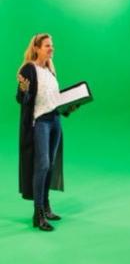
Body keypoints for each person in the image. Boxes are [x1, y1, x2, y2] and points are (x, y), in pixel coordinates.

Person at [16, 33, 74, 232]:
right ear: (37, 48)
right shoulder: (29, 69)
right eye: (48, 45)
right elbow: (20, 96)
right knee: (42, 165)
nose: (52, 48)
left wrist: (69, 106)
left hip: (55, 120)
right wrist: (23, 90)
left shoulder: (50, 69)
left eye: (52, 45)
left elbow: (54, 99)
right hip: (40, 122)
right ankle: (37, 213)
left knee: (50, 165)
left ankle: (47, 206)